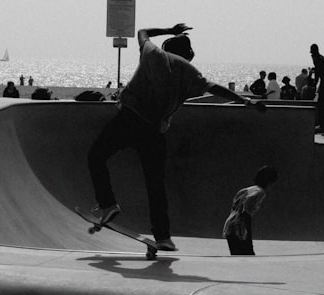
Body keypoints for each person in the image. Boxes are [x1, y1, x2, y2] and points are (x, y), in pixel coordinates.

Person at [87, 23, 264, 251]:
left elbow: (142, 32)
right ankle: (163, 237)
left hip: (128, 121)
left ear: (168, 45)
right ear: (189, 55)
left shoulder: (153, 52)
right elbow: (216, 89)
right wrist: (247, 101)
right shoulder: (191, 73)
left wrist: (170, 29)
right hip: (153, 132)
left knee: (96, 156)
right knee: (155, 185)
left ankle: (108, 204)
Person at [222, 165, 278, 256]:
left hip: (230, 226)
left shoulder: (246, 190)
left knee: (237, 258)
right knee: (246, 258)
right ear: (269, 182)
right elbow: (246, 214)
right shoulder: (260, 192)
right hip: (239, 229)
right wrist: (249, 240)